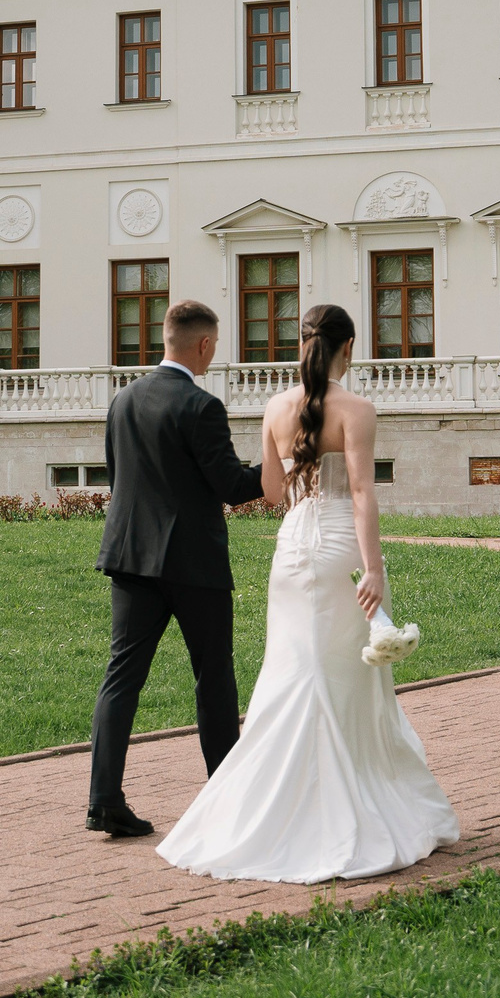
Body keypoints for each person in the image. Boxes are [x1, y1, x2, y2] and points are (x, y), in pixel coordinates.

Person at [156, 303, 459, 883]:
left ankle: (263, 811)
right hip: (341, 547)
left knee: (290, 673)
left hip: (293, 551)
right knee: (343, 677)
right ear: (349, 348)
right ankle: (343, 810)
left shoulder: (275, 408)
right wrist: (373, 569)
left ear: (302, 345)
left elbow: (272, 493)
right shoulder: (358, 410)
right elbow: (363, 493)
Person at [86, 298, 269, 838]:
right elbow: (233, 487)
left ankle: (103, 801)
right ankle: (226, 797)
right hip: (193, 564)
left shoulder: (123, 400)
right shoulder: (202, 405)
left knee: (121, 678)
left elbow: (119, 478)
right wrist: (283, 460)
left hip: (129, 557)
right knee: (213, 677)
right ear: (204, 344)